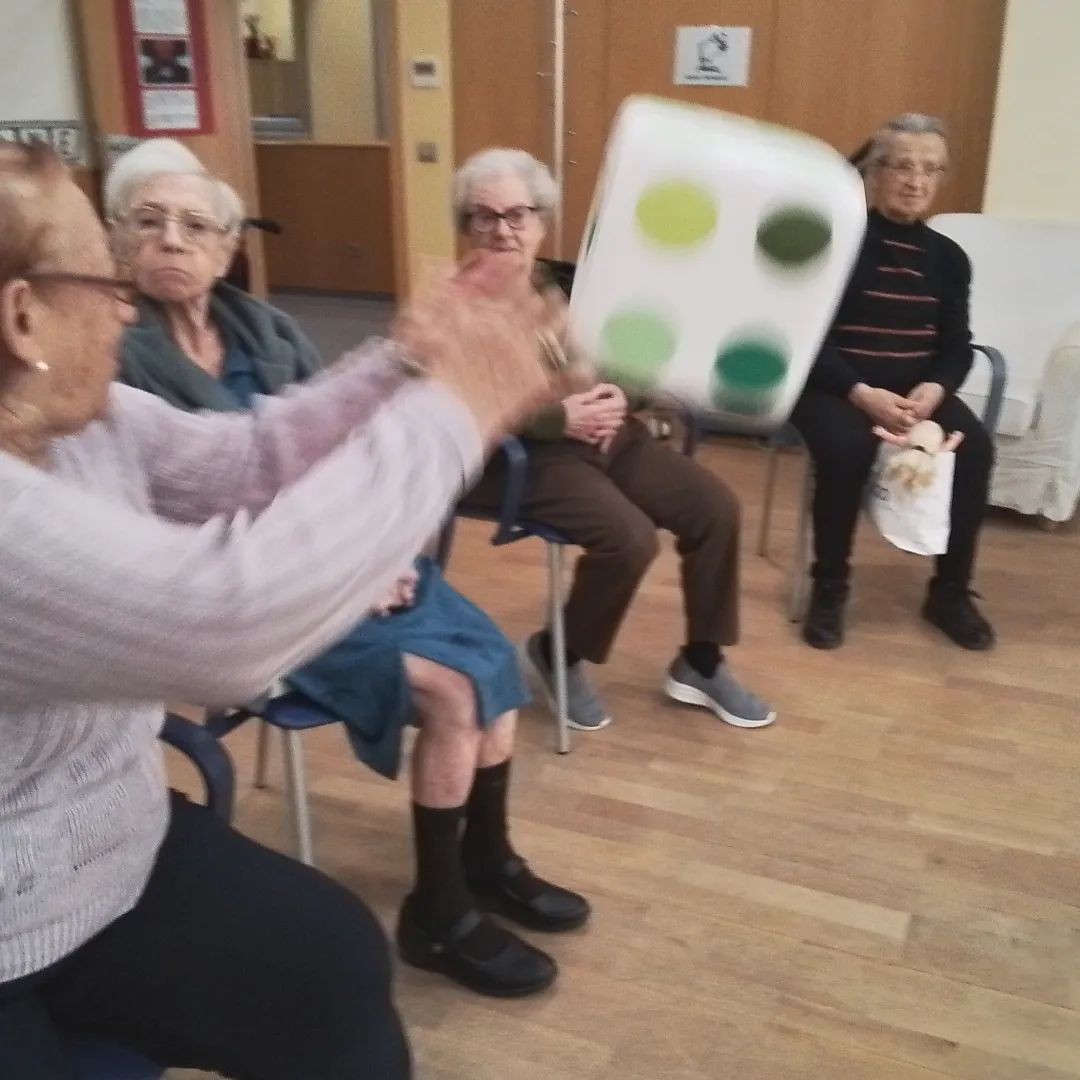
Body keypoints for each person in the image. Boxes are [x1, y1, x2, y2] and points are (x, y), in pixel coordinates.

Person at [0, 140, 558, 1078]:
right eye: (105, 281)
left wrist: (407, 358)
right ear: (23, 318)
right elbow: (228, 622)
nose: (126, 305)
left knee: (333, 961)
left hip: (109, 849)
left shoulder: (85, 419)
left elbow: (249, 458)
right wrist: (460, 408)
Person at [109, 138, 590, 999]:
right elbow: (186, 520)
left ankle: (487, 858)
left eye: (194, 225)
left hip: (359, 551)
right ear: (117, 241)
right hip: (258, 594)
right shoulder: (116, 367)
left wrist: (389, 551)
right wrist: (354, 561)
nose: (172, 240)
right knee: (453, 692)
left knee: (493, 661)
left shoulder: (269, 331)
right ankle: (438, 913)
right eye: (149, 222)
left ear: (228, 245)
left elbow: (351, 441)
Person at [458, 148, 776, 733]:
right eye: (486, 216)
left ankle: (702, 660)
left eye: (517, 214)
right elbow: (463, 404)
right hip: (530, 455)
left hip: (610, 436)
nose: (503, 230)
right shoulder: (454, 306)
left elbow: (634, 357)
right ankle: (559, 654)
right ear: (467, 225)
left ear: (541, 220)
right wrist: (556, 419)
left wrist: (622, 395)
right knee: (628, 540)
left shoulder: (572, 284)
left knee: (716, 509)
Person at [790, 114, 995, 651]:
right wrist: (861, 393)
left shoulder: (950, 259)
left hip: (915, 392)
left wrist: (936, 390)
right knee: (846, 449)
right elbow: (806, 335)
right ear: (875, 173)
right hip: (836, 386)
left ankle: (949, 593)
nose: (916, 181)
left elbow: (956, 346)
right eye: (903, 166)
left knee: (975, 449)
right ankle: (829, 587)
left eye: (930, 169)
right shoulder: (839, 241)